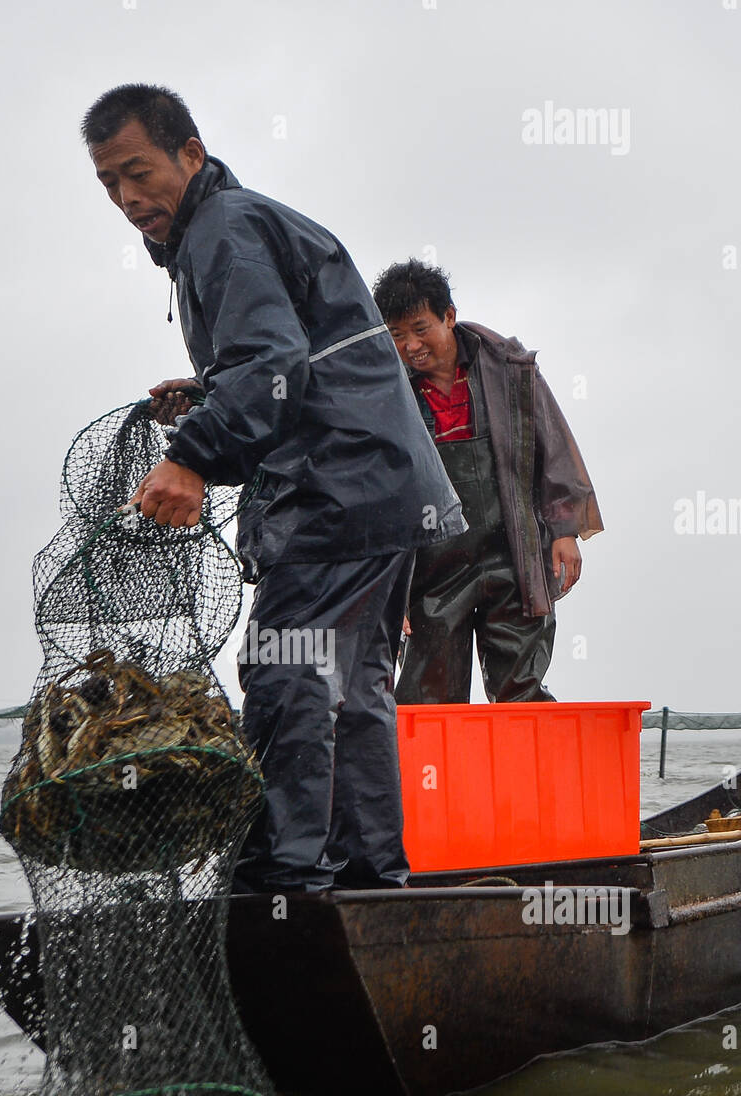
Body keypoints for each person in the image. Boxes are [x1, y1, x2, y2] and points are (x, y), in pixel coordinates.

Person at [81, 85, 465, 893]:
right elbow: (296, 357)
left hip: (337, 491)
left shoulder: (224, 228)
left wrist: (192, 455)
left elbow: (273, 366)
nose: (127, 198)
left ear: (191, 153)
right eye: (110, 183)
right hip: (380, 491)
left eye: (139, 172)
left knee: (287, 669)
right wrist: (208, 390)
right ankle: (366, 879)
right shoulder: (227, 229)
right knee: (355, 692)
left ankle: (280, 885)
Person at [372, 259, 603, 704]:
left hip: (512, 552)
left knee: (521, 689)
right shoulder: (387, 392)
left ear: (449, 316)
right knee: (428, 693)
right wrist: (389, 586)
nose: (411, 345)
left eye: (420, 329)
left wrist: (564, 531)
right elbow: (378, 491)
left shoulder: (510, 369)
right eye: (397, 335)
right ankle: (437, 776)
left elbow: (552, 448)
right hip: (430, 570)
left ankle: (527, 773)